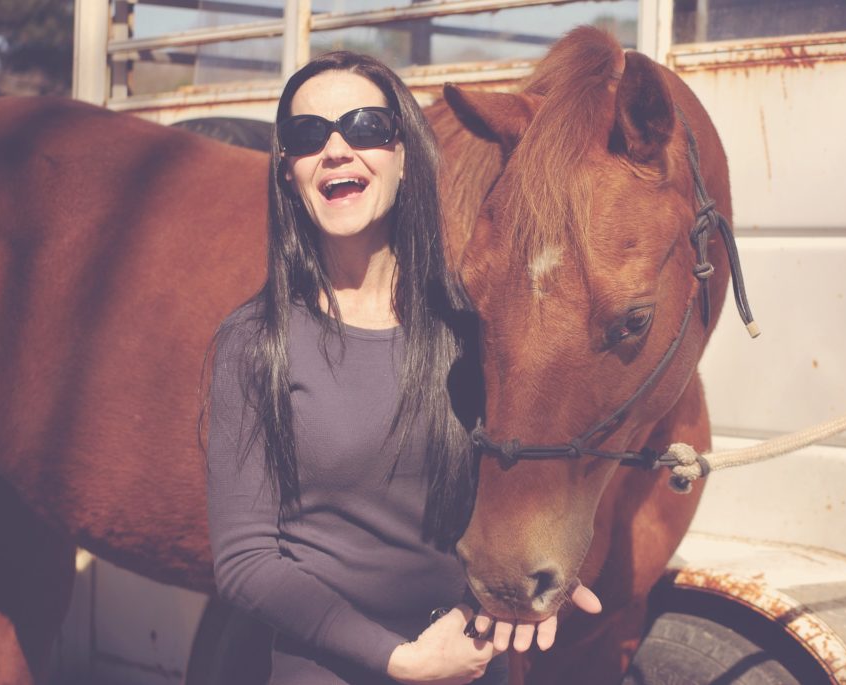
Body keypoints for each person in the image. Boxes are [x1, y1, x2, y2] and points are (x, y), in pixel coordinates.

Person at [205, 50, 599, 685]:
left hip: (471, 660)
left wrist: (549, 568)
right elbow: (245, 561)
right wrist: (402, 661)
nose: (336, 148)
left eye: (365, 127)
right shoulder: (253, 342)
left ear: (406, 157)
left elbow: (531, 483)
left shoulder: (475, 331)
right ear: (288, 173)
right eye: (309, 136)